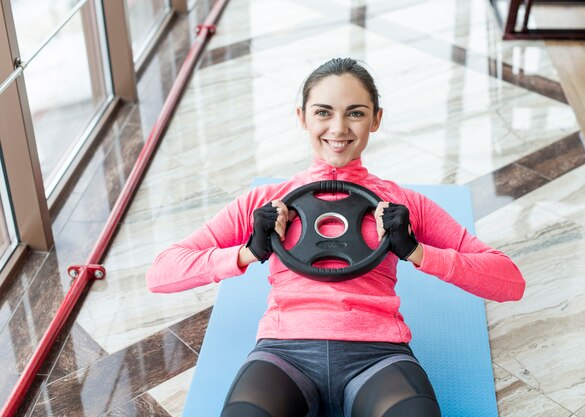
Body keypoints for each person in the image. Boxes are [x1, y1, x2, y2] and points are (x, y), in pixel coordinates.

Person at [146, 58, 526, 417]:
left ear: (376, 120)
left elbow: (510, 281)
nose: (339, 129)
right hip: (283, 354)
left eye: (356, 113)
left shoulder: (404, 204)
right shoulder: (264, 202)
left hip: (378, 356)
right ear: (302, 117)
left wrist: (416, 251)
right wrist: (246, 252)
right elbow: (161, 273)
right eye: (323, 112)